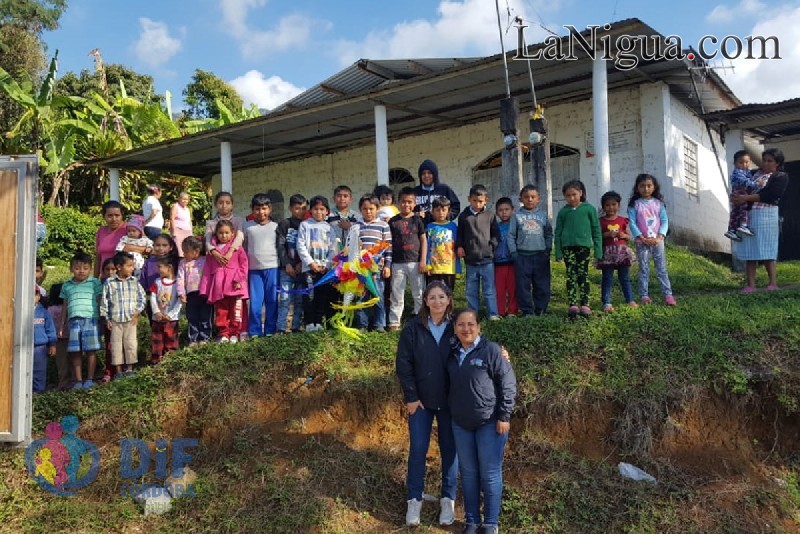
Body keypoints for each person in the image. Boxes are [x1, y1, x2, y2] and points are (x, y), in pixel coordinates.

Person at [448, 308, 516, 534]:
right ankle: (472, 521)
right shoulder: (451, 351)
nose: (466, 329)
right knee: (468, 474)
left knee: (490, 473)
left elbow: (508, 383)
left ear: (479, 327)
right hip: (461, 424)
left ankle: (490, 524)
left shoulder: (491, 350)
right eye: (461, 324)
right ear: (454, 328)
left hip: (490, 422)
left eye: (471, 324)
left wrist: (504, 415)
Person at [395, 280, 458, 528]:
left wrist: (499, 352)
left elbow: (476, 346)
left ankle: (448, 499)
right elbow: (403, 363)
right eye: (432, 297)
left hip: (451, 403)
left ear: (449, 300)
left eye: (442, 297)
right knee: (418, 449)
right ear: (425, 301)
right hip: (420, 402)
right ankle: (414, 500)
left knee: (450, 451)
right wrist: (411, 397)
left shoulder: (457, 324)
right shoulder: (414, 328)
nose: (437, 301)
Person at [731, 148, 790, 292]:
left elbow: (770, 195)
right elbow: (740, 185)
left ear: (777, 163)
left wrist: (745, 198)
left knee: (768, 249)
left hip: (767, 214)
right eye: (764, 160)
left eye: (770, 161)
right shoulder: (753, 174)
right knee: (750, 249)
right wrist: (736, 196)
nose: (766, 163)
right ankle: (751, 285)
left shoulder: (780, 177)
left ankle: (773, 283)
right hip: (749, 214)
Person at [554, 180, 602, 317]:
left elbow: (596, 230)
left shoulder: (589, 209)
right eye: (568, 195)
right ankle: (573, 304)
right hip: (567, 248)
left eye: (574, 194)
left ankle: (585, 304)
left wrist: (598, 251)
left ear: (581, 193)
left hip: (583, 247)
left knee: (583, 274)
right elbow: (558, 232)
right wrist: (558, 251)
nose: (571, 198)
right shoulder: (563, 212)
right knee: (571, 275)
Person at [627, 174, 676, 306]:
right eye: (642, 186)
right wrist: (641, 237)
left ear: (654, 187)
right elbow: (632, 222)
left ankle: (668, 295)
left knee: (661, 268)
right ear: (637, 188)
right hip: (641, 242)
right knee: (644, 268)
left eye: (649, 186)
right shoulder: (634, 205)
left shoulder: (659, 204)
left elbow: (664, 221)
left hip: (658, 242)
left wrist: (660, 237)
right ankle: (644, 295)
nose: (646, 189)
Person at [200, 220, 249, 342]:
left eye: (227, 233)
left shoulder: (237, 249)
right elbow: (207, 270)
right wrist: (205, 288)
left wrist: (238, 279)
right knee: (221, 312)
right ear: (216, 234)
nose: (224, 235)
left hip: (235, 286)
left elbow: (244, 265)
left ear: (232, 233)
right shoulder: (212, 252)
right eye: (221, 233)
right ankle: (224, 334)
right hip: (219, 287)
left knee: (236, 311)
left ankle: (235, 333)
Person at [59, 252, 103, 389]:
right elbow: (65, 306)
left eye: (85, 268)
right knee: (75, 351)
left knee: (91, 350)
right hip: (73, 321)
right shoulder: (67, 285)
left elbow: (100, 301)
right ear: (71, 269)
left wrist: (103, 318)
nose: (81, 271)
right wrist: (62, 325)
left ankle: (89, 379)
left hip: (91, 320)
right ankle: (78, 380)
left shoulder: (95, 283)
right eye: (77, 268)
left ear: (90, 269)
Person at [508, 185, 552, 317]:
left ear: (539, 198)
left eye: (533, 197)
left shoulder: (543, 215)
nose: (530, 200)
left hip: (540, 256)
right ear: (520, 199)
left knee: (542, 284)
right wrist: (514, 253)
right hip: (522, 256)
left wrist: (548, 248)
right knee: (523, 286)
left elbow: (548, 233)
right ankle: (527, 310)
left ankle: (541, 309)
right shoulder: (516, 216)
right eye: (526, 197)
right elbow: (511, 236)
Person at [457, 184, 500, 320]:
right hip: (471, 260)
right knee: (471, 290)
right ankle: (472, 313)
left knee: (489, 289)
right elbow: (460, 234)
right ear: (469, 199)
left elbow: (496, 234)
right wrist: (460, 246)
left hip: (487, 260)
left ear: (486, 200)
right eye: (474, 200)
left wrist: (491, 246)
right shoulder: (464, 216)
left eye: (480, 201)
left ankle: (492, 313)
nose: (477, 204)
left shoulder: (490, 215)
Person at [388, 187, 428, 331]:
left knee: (419, 293)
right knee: (397, 293)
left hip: (415, 262)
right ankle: (394, 321)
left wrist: (423, 260)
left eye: (410, 202)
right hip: (397, 263)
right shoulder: (393, 221)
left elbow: (423, 240)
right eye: (403, 202)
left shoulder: (418, 220)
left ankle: (421, 319)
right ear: (398, 203)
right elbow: (388, 242)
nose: (406, 205)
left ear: (414, 203)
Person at [101, 252, 146, 377]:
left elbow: (142, 298)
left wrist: (137, 311)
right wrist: (106, 318)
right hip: (115, 320)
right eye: (129, 266)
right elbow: (104, 302)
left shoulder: (134, 281)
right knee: (116, 346)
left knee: (131, 344)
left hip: (130, 320)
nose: (132, 268)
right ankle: (119, 372)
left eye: (133, 266)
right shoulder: (109, 282)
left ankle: (130, 370)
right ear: (119, 267)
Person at [297, 195, 337, 332]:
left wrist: (326, 264)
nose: (318, 212)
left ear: (327, 211)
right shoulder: (305, 225)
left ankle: (318, 322)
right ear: (310, 210)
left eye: (322, 209)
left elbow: (333, 249)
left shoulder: (329, 228)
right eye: (315, 209)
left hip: (324, 270)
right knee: (309, 295)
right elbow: (301, 245)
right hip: (308, 269)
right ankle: (309, 322)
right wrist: (310, 263)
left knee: (321, 295)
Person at [244, 193, 280, 337]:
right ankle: (254, 331)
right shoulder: (247, 227)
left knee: (272, 300)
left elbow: (280, 246)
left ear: (270, 209)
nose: (261, 212)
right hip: (254, 270)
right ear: (252, 210)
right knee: (255, 302)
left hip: (273, 268)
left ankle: (270, 330)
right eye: (257, 209)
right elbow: (244, 247)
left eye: (264, 208)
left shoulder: (276, 226)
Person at [355, 194, 392, 332]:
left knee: (378, 294)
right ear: (360, 210)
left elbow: (388, 247)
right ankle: (362, 324)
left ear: (377, 209)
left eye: (371, 208)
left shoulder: (383, 225)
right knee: (361, 296)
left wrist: (387, 265)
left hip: (377, 268)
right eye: (365, 209)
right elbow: (351, 247)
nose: (368, 212)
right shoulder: (356, 226)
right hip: (360, 268)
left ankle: (379, 324)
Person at [597, 191, 637, 312]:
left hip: (621, 253)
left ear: (619, 205)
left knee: (624, 278)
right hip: (608, 254)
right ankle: (606, 302)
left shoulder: (623, 220)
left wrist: (623, 235)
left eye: (614, 204)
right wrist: (607, 234)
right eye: (607, 205)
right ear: (603, 207)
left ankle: (630, 300)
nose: (611, 207)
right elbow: (598, 237)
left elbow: (628, 237)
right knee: (607, 278)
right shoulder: (601, 221)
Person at [277, 194, 307, 333]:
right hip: (286, 268)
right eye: (297, 208)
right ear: (290, 208)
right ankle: (281, 328)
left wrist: (302, 263)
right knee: (284, 298)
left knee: (300, 300)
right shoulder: (284, 224)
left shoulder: (307, 225)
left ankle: (296, 327)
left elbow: (307, 247)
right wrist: (287, 264)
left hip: (302, 268)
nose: (300, 211)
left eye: (303, 208)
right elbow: (280, 245)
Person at [178, 236, 213, 345]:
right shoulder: (183, 263)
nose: (183, 254)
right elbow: (180, 279)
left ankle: (205, 338)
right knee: (192, 317)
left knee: (205, 316)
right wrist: (181, 293)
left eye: (186, 251)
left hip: (205, 294)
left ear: (196, 251)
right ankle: (193, 339)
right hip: (191, 295)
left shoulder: (206, 260)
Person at [149, 257, 182, 362]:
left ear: (169, 267)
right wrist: (156, 312)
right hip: (157, 318)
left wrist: (171, 315)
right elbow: (152, 298)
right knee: (157, 340)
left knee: (171, 339)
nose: (158, 270)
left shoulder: (178, 283)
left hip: (171, 319)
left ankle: (170, 360)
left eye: (160, 267)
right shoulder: (157, 282)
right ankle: (156, 360)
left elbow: (180, 301)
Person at [425, 197, 460, 290]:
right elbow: (427, 247)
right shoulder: (429, 227)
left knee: (448, 292)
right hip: (434, 268)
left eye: (444, 210)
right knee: (433, 292)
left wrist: (458, 269)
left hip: (449, 268)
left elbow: (456, 248)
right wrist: (427, 264)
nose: (441, 213)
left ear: (448, 211)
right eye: (437, 210)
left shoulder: (453, 227)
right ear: (432, 211)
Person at [204, 191, 246, 267]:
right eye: (220, 203)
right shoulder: (211, 223)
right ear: (215, 205)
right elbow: (208, 240)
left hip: (235, 259)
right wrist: (214, 252)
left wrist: (230, 251)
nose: (224, 206)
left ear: (232, 205)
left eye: (228, 203)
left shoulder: (239, 221)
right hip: (216, 260)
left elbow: (240, 237)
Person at [724, 150, 757, 241]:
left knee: (735, 212)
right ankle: (743, 224)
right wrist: (754, 185)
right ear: (735, 163)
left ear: (750, 162)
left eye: (746, 162)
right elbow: (744, 181)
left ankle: (732, 230)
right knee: (744, 208)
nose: (744, 164)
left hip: (736, 194)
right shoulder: (738, 172)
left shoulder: (747, 172)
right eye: (741, 162)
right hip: (740, 192)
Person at [493, 197, 517, 317]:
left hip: (513, 262)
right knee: (499, 289)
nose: (504, 212)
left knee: (513, 288)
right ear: (497, 212)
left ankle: (512, 310)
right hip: (498, 263)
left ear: (512, 210)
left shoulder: (516, 226)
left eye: (507, 209)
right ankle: (500, 311)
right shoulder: (495, 227)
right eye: (500, 210)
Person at [95, 200, 130, 279]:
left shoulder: (130, 229)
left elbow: (147, 248)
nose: (114, 219)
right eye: (110, 216)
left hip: (124, 278)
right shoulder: (101, 231)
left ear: (122, 215)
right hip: (105, 277)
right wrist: (95, 279)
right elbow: (98, 257)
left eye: (117, 215)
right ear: (104, 216)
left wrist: (129, 248)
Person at [45, 283, 71, 390]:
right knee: (72, 360)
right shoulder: (68, 308)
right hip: (69, 336)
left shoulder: (50, 309)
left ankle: (63, 383)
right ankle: (72, 381)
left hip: (57, 339)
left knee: (61, 363)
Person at [33, 287, 57, 393]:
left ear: (38, 296)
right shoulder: (20, 311)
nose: (31, 297)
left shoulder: (43, 312)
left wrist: (52, 344)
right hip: (23, 346)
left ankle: (38, 392)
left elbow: (50, 329)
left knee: (39, 371)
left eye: (34, 295)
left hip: (39, 347)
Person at [170, 191, 194, 256]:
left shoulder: (187, 209)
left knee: (188, 249)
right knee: (179, 251)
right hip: (178, 231)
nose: (185, 201)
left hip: (187, 231)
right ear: (179, 199)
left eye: (186, 199)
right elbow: (172, 218)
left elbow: (190, 221)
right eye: (183, 199)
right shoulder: (176, 206)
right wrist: (174, 232)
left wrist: (191, 232)